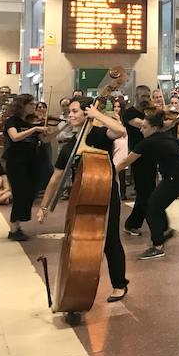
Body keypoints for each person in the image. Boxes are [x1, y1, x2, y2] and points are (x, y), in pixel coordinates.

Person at [37, 97, 129, 302]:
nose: (70, 114)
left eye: (75, 111)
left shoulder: (99, 134)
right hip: (81, 195)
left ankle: (119, 284)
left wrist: (98, 116)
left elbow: (120, 131)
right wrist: (43, 207)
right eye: (69, 111)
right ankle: (79, 280)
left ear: (86, 112)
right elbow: (56, 178)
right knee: (81, 240)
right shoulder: (71, 146)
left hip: (106, 190)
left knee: (111, 239)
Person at [116, 110, 179, 260]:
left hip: (174, 178)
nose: (141, 129)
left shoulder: (148, 141)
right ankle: (161, 234)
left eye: (144, 127)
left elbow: (126, 161)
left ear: (154, 128)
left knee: (152, 207)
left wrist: (111, 171)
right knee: (154, 205)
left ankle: (158, 246)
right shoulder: (166, 137)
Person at [3, 94, 50, 240]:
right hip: (16, 162)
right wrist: (34, 129)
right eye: (31, 104)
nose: (34, 107)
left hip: (31, 161)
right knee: (19, 193)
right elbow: (15, 137)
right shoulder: (11, 121)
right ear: (22, 105)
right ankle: (13, 228)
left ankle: (18, 224)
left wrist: (64, 127)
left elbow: (45, 139)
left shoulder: (32, 121)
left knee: (31, 192)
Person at [122, 85, 156, 235]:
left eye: (148, 97)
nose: (147, 100)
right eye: (143, 97)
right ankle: (155, 224)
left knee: (147, 190)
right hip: (137, 155)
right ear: (136, 96)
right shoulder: (129, 113)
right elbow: (143, 125)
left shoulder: (150, 113)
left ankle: (132, 223)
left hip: (151, 155)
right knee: (145, 191)